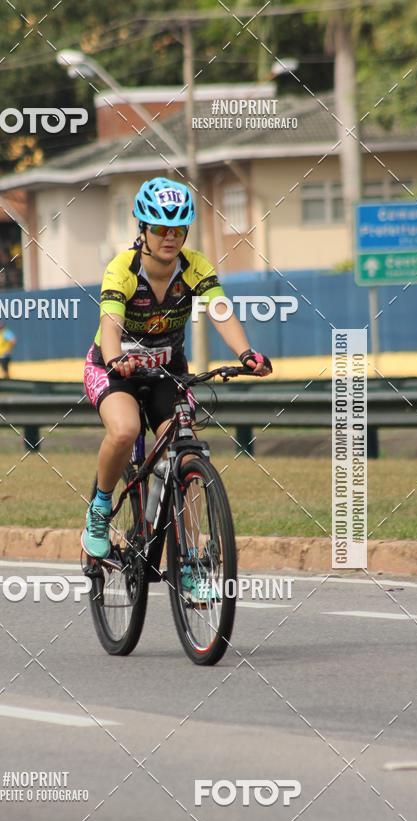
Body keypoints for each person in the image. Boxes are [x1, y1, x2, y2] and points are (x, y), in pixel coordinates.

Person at [81, 176, 272, 561]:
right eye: (161, 229)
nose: (170, 237)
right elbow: (111, 323)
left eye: (179, 229)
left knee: (185, 456)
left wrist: (246, 352)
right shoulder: (122, 268)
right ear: (143, 230)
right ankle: (100, 510)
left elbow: (220, 310)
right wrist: (118, 357)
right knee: (126, 429)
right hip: (116, 369)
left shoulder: (194, 266)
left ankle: (189, 563)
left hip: (169, 371)